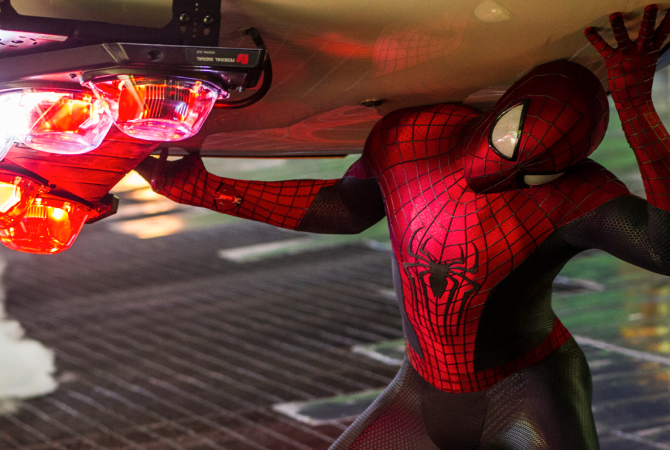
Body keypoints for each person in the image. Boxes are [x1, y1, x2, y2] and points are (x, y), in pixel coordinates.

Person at [135, 6, 670, 450]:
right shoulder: (413, 137)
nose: (504, 175)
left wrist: (636, 108)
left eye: (535, 172)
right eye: (511, 145)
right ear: (503, 110)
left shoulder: (575, 195)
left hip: (530, 390)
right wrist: (207, 189)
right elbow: (348, 208)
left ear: (565, 166)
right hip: (421, 388)